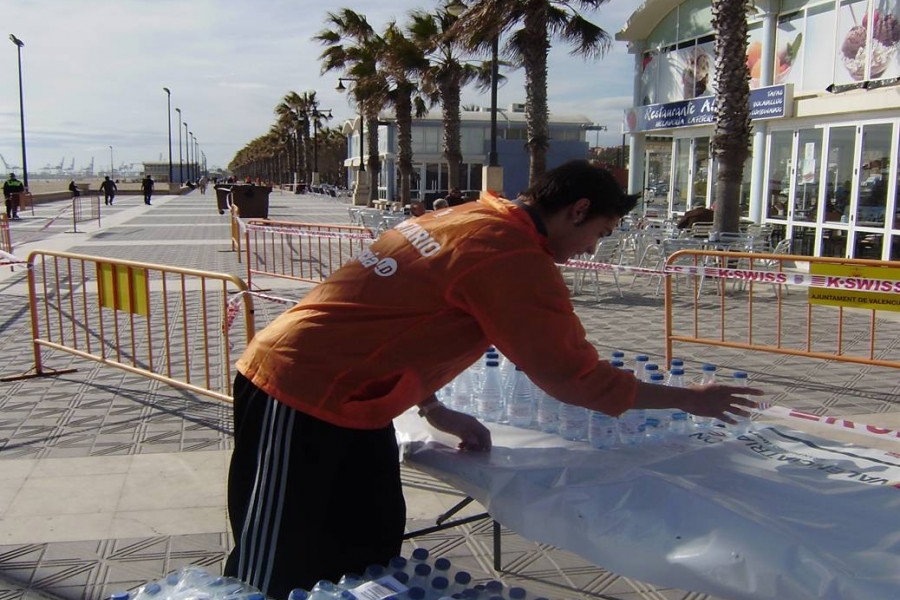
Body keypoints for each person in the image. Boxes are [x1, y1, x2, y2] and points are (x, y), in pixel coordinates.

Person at [223, 160, 760, 598]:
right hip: (296, 388)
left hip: (357, 397)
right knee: (280, 560)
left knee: (369, 534)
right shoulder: (510, 255)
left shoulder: (477, 217)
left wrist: (434, 408)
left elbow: (397, 320)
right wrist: (691, 400)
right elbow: (574, 379)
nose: (593, 249)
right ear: (576, 211)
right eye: (599, 232)